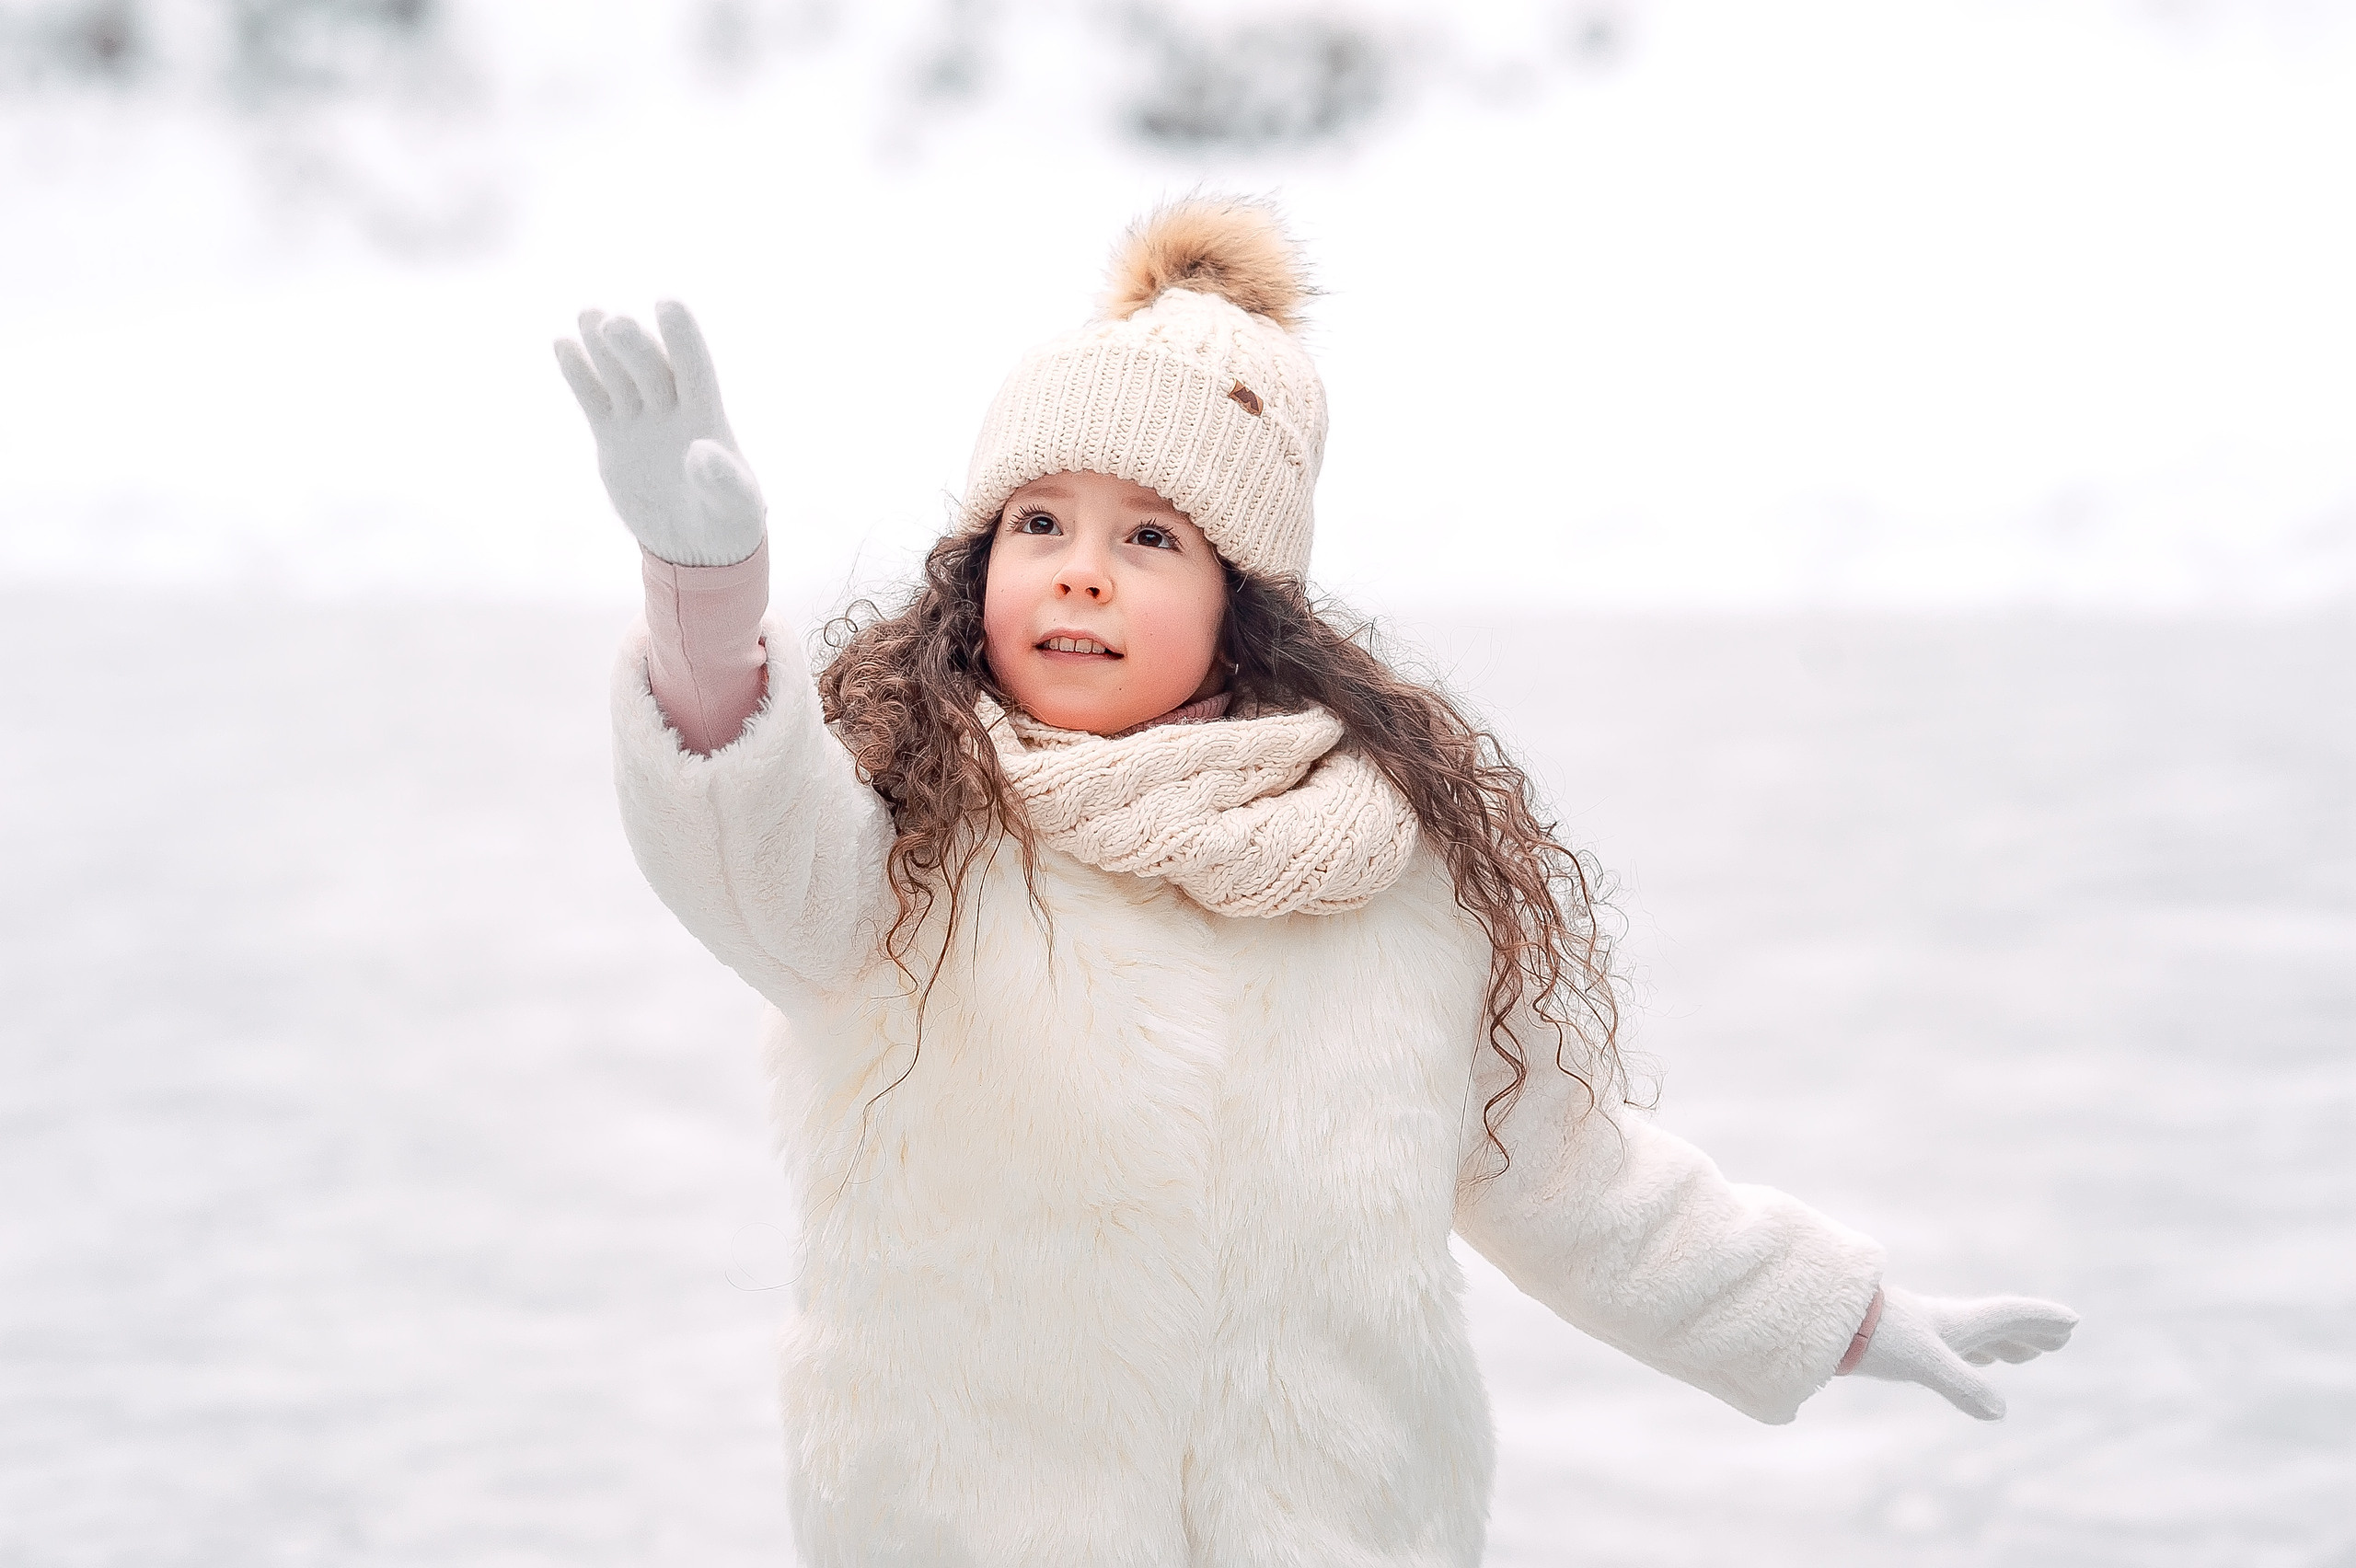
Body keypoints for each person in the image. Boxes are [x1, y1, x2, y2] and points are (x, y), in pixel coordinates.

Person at [555, 197, 2076, 1566]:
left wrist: (1848, 1314)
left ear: (1241, 603)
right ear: (978, 567)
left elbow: (1570, 1176)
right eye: (1040, 524)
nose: (1080, 569)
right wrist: (708, 598)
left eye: (1149, 535)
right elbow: (738, 849)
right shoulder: (906, 841)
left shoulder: (1388, 884)